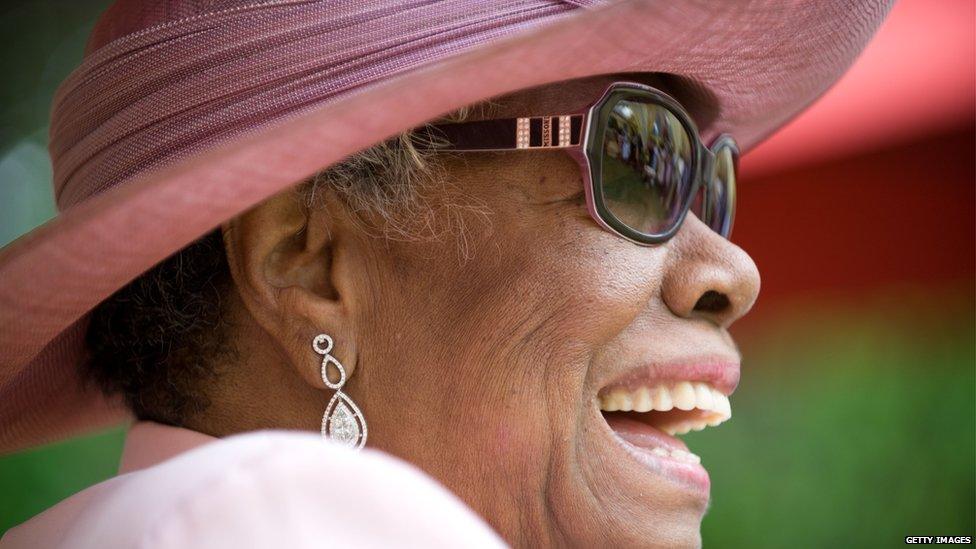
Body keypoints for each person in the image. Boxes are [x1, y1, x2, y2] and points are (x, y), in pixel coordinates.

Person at [0, 0, 891, 547]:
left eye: (709, 182)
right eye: (636, 158)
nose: (732, 269)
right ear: (307, 262)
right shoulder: (268, 520)